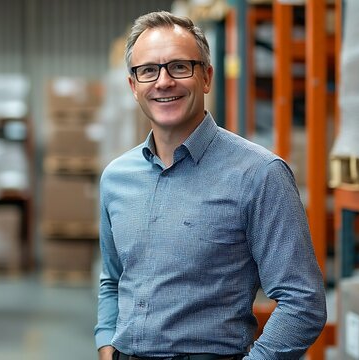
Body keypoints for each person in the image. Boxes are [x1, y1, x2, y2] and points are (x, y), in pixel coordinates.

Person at [95, 11, 326, 360]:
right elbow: (112, 279)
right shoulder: (116, 178)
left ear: (206, 77)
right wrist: (107, 344)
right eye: (148, 70)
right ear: (133, 86)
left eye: (179, 67)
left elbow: (303, 300)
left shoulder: (259, 174)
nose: (163, 82)